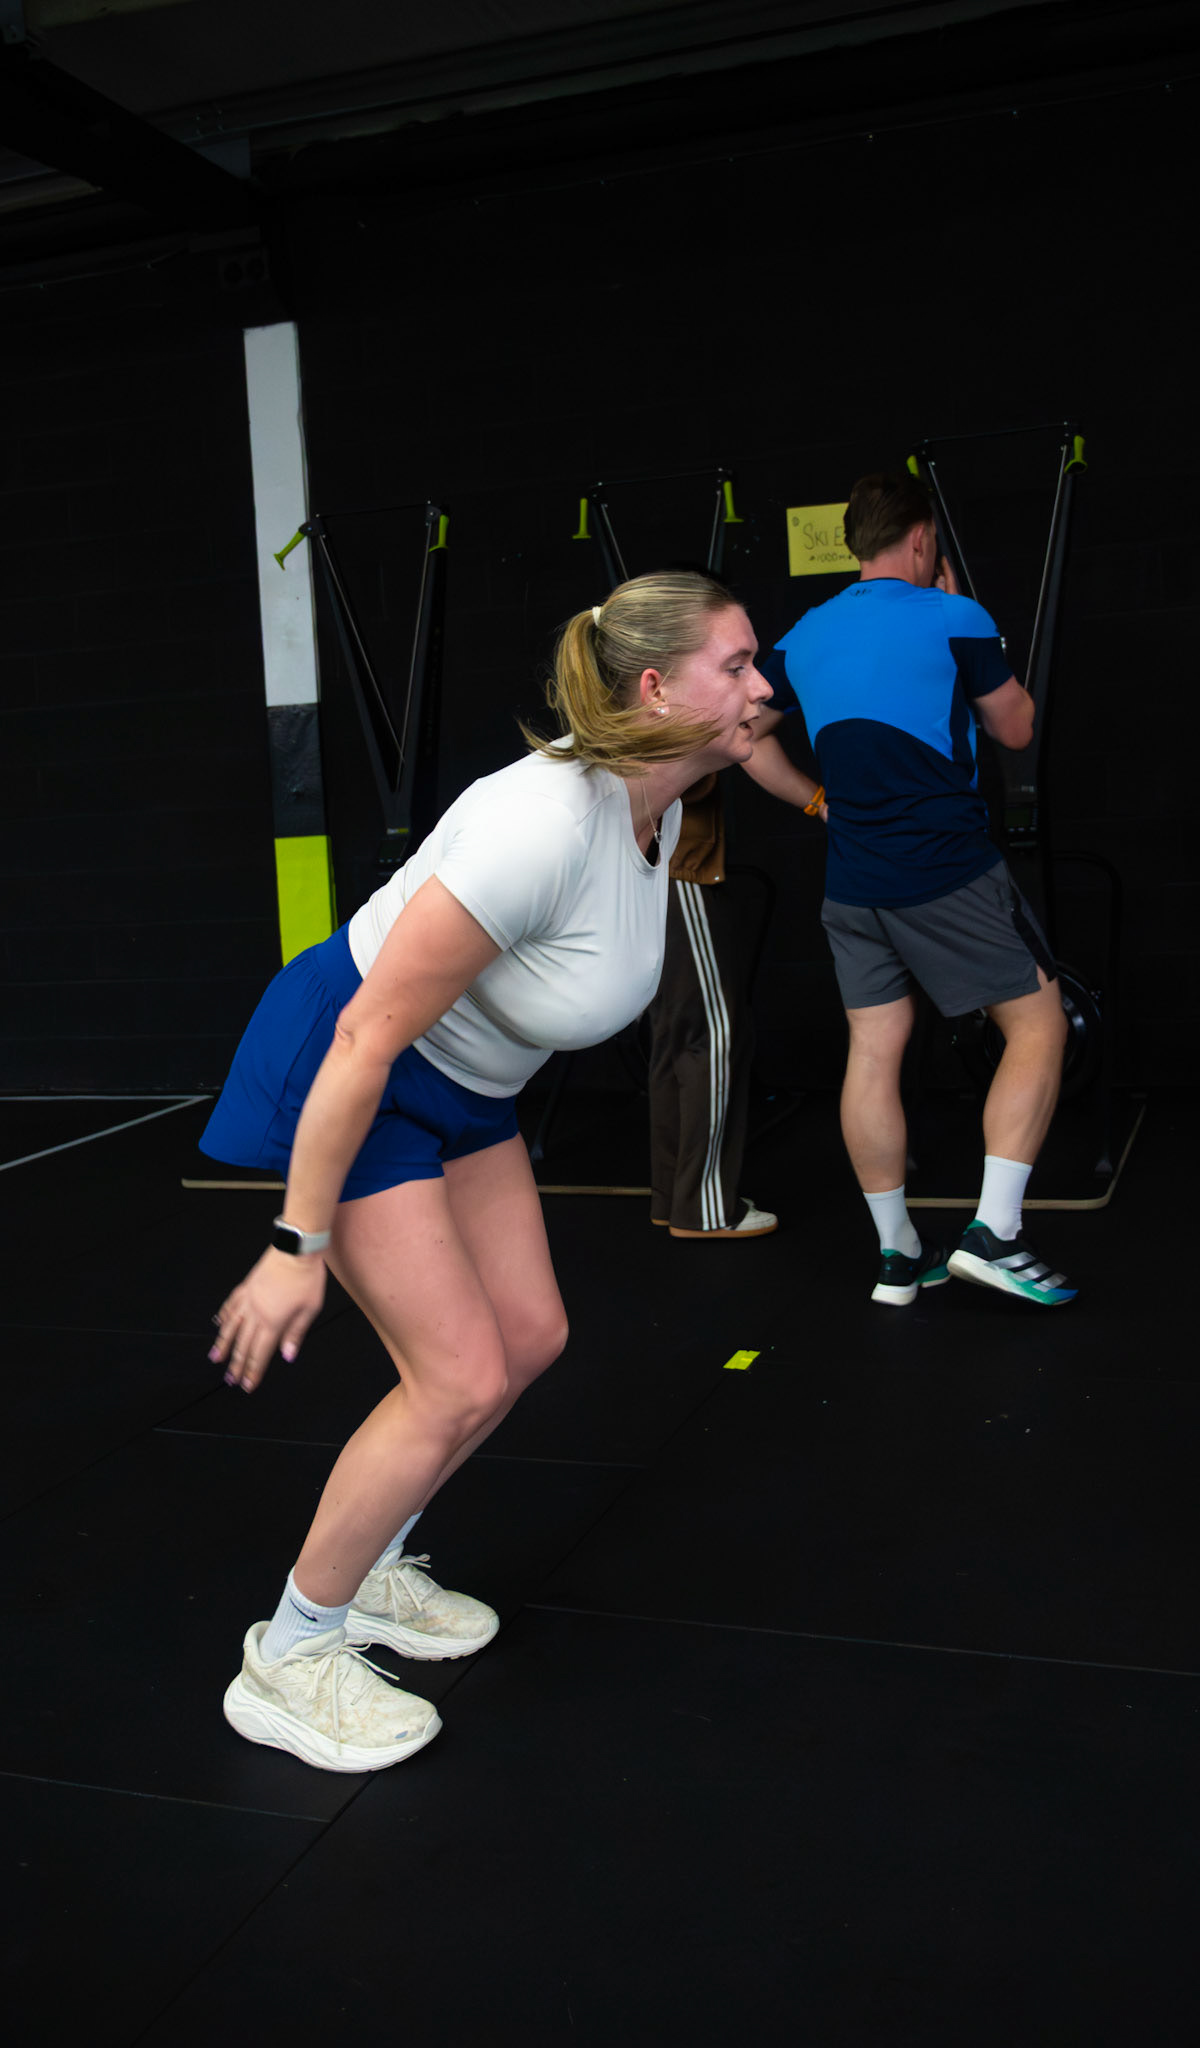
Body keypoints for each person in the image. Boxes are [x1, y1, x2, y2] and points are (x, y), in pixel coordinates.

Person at [201, 570, 772, 1772]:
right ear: (656, 688)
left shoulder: (662, 808)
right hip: (357, 1061)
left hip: (468, 1083)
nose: (763, 686)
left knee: (527, 1335)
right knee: (456, 1376)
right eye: (736, 666)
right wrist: (296, 1242)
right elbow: (363, 1035)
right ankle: (288, 1656)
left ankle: (371, 1567)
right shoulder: (540, 823)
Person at [752, 471, 1077, 1308]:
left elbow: (744, 737)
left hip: (852, 882)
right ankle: (994, 1234)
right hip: (945, 870)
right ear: (924, 539)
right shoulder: (951, 615)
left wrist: (816, 800)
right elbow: (1016, 728)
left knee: (874, 1047)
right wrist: (965, 615)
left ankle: (897, 1255)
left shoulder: (805, 633)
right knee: (1038, 1024)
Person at [645, 742, 825, 1240]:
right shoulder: (669, 716)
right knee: (713, 1037)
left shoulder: (640, 708)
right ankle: (703, 1210)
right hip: (680, 873)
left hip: (661, 872)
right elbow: (728, 752)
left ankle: (674, 1198)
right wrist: (818, 801)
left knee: (678, 1037)